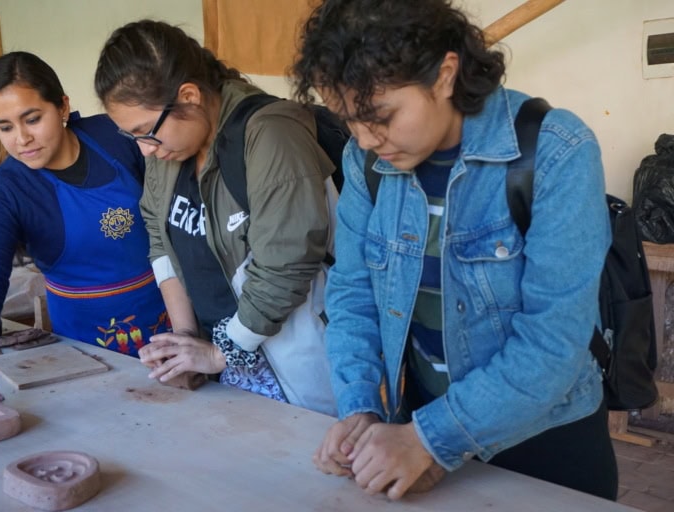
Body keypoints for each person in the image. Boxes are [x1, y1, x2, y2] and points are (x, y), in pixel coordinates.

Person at [292, 0, 618, 501]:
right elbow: (353, 294)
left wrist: (430, 439)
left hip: (544, 438)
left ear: (445, 74)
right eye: (347, 119)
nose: (363, 138)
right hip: (418, 425)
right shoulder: (366, 163)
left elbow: (553, 342)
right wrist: (360, 409)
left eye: (379, 115)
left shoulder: (556, 150)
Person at [93, 19, 337, 415]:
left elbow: (286, 263)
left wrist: (220, 353)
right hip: (222, 366)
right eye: (131, 137)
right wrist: (185, 342)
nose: (143, 150)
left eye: (145, 132)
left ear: (188, 96)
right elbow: (160, 237)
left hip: (298, 370)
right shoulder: (168, 151)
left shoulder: (271, 134)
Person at [0, 51, 170, 415]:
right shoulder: (7, 191)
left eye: (33, 119)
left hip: (173, 324)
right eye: (5, 127)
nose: (22, 138)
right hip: (86, 349)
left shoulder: (117, 136)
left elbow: (174, 224)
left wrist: (187, 331)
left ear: (63, 106)